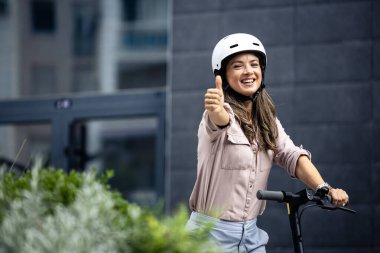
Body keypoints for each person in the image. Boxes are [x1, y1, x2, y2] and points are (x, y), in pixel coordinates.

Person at [186, 33, 349, 253]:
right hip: (208, 237)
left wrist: (324, 187)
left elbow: (291, 155)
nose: (248, 71)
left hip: (251, 236)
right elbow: (221, 121)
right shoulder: (215, 118)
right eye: (237, 66)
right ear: (223, 75)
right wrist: (215, 110)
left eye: (254, 64)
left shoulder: (267, 121)